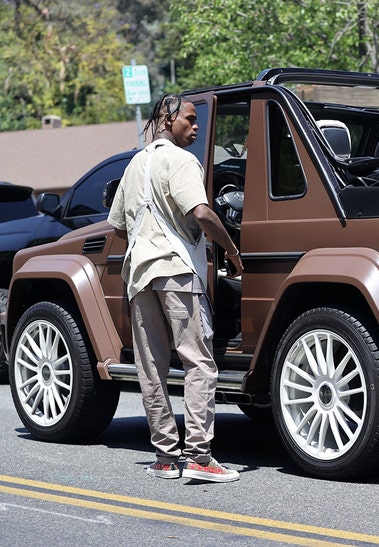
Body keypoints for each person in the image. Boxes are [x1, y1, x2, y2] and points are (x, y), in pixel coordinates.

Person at [108, 93, 243, 482]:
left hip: (139, 276)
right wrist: (231, 251)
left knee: (151, 367)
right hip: (177, 272)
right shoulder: (183, 161)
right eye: (189, 119)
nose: (196, 126)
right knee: (198, 361)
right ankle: (200, 456)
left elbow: (118, 225)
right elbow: (200, 211)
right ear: (166, 120)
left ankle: (166, 458)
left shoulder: (134, 163)